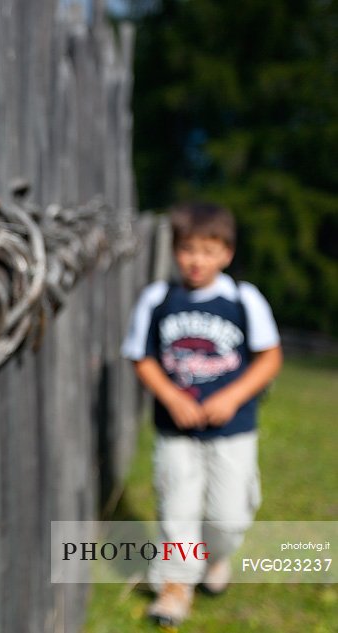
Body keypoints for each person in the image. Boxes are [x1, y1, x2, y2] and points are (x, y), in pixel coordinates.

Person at [121, 202, 283, 626]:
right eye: (188, 249)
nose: (197, 260)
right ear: (175, 250)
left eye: (209, 250)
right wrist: (171, 397)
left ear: (226, 253)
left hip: (234, 430)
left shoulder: (244, 300)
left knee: (228, 515)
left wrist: (232, 397)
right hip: (176, 431)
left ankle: (217, 557)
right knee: (177, 506)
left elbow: (269, 358)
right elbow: (142, 357)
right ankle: (175, 586)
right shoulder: (159, 299)